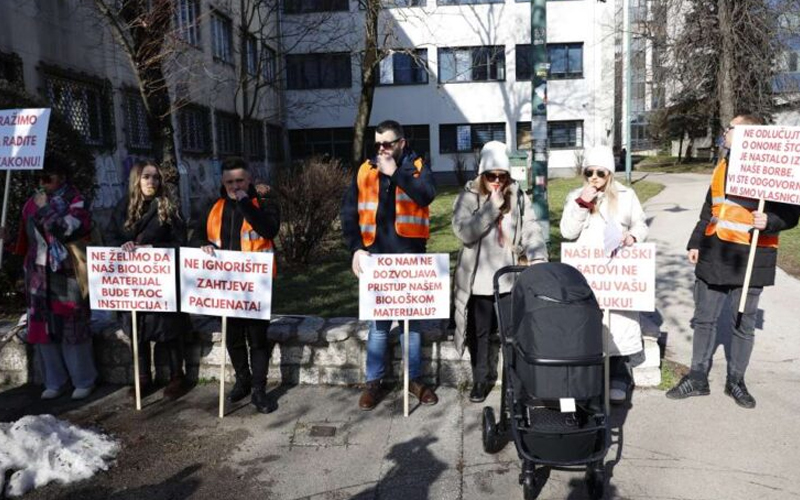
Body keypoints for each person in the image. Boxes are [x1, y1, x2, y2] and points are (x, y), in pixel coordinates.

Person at [666, 114, 800, 409]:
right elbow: (709, 209)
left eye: (731, 129)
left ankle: (736, 381)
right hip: (714, 253)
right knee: (704, 319)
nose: (725, 132)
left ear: (748, 136)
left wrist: (771, 221)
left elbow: (792, 214)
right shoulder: (722, 167)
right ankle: (697, 378)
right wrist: (695, 242)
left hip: (753, 257)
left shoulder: (773, 169)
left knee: (743, 323)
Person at [341, 119, 438, 411]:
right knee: (379, 325)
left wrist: (395, 173)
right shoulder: (365, 170)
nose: (382, 149)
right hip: (374, 257)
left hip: (411, 256)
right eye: (378, 143)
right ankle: (374, 382)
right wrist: (356, 248)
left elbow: (426, 195)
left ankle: (415, 380)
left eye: (388, 143)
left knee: (414, 325)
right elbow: (348, 211)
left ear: (401, 144)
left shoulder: (417, 167)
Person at [452, 141, 548, 403]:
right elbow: (464, 232)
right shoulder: (469, 196)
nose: (496, 181)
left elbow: (530, 227)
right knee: (479, 334)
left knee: (512, 335)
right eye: (490, 176)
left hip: (509, 278)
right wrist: (491, 207)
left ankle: (513, 384)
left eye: (501, 176)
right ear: (482, 175)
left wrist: (537, 254)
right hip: (478, 280)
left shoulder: (517, 195)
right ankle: (480, 380)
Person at [560, 145, 648, 403]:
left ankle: (618, 375)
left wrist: (633, 236)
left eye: (600, 172)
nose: (595, 178)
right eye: (590, 172)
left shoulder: (626, 195)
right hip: (588, 269)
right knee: (589, 321)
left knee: (618, 322)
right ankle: (592, 375)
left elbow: (640, 223)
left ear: (609, 172)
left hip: (617, 268)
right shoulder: (576, 196)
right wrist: (581, 205)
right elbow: (567, 232)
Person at [194, 157, 281, 414]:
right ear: (223, 182)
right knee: (233, 338)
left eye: (240, 180)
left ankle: (259, 390)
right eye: (230, 181)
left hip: (256, 285)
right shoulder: (213, 206)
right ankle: (242, 380)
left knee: (257, 340)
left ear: (249, 179)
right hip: (224, 286)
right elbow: (194, 233)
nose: (235, 185)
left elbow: (268, 230)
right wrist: (201, 243)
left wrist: (245, 202)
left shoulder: (263, 203)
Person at [13, 158, 97, 400]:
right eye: (38, 178)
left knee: (73, 326)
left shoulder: (76, 200)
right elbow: (25, 239)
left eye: (47, 177)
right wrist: (8, 239)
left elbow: (68, 229)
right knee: (43, 330)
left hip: (67, 271)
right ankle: (55, 380)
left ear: (62, 176)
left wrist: (45, 210)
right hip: (39, 275)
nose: (41, 182)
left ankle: (83, 379)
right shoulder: (31, 203)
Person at [107, 161, 189, 400]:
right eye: (146, 177)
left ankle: (177, 376)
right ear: (136, 180)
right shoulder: (122, 208)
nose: (152, 181)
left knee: (170, 331)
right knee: (137, 329)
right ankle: (143, 377)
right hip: (133, 285)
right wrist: (121, 245)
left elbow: (180, 243)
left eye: (155, 177)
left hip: (161, 284)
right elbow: (110, 238)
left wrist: (154, 248)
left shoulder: (168, 207)